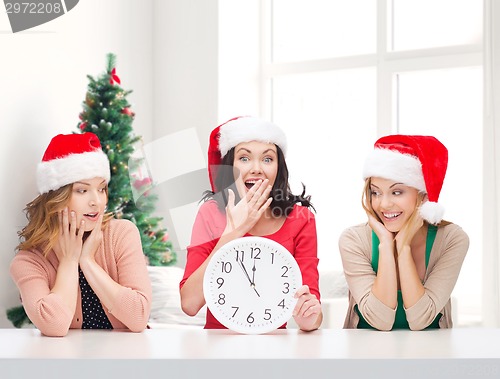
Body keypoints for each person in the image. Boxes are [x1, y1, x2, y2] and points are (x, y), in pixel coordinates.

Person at [180, 116, 322, 331]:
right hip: (216, 345)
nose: (256, 168)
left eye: (267, 159)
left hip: (275, 347)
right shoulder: (211, 213)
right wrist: (233, 232)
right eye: (244, 158)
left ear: (278, 168)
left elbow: (312, 310)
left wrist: (308, 317)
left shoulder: (300, 218)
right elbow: (189, 304)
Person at [10, 132, 152, 337]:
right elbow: (54, 326)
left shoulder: (121, 234)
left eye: (102, 189)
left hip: (126, 359)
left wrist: (87, 261)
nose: (97, 201)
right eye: (82, 191)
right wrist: (69, 260)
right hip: (68, 365)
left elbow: (139, 317)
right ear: (56, 197)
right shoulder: (29, 261)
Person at [339, 134, 469, 331]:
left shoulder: (451, 239)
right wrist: (385, 243)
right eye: (375, 192)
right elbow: (380, 320)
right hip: (365, 356)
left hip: (431, 355)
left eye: (397, 192)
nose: (383, 204)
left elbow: (420, 319)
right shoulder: (354, 240)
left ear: (423, 196)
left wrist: (403, 246)